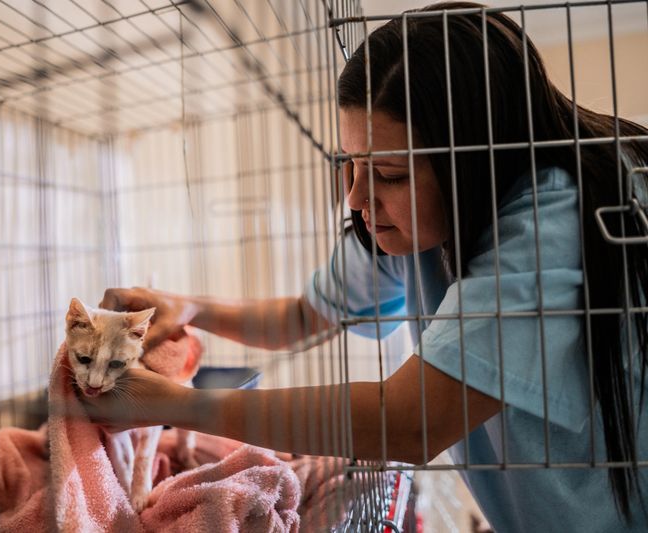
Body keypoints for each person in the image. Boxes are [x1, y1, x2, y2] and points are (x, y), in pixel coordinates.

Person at [84, 2, 648, 530]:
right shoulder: (411, 222)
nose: (356, 197)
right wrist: (194, 307)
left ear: (476, 160)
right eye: (351, 164)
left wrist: (176, 406)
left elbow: (412, 420)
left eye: (391, 175)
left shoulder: (554, 217)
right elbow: (302, 317)